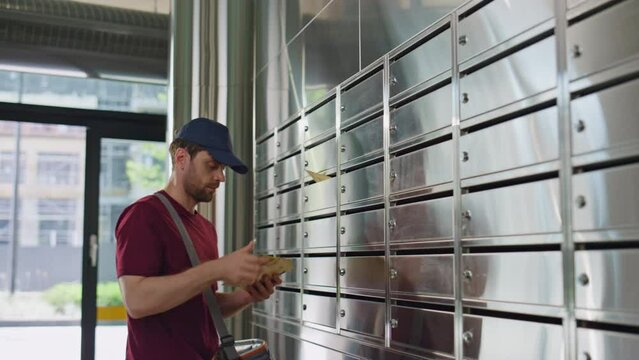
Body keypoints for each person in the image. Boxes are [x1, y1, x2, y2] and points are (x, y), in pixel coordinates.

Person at [115, 117, 280, 360]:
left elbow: (201, 307)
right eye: (212, 165)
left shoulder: (205, 228)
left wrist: (246, 296)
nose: (221, 177)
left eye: (223, 168)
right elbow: (136, 301)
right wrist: (217, 269)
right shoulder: (143, 215)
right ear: (181, 158)